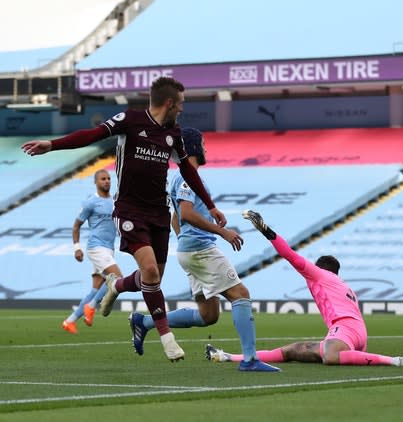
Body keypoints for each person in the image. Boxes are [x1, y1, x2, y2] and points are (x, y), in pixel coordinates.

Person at [21, 76, 226, 362]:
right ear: (169, 103)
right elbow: (91, 135)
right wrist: (52, 145)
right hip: (130, 211)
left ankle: (116, 285)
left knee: (149, 278)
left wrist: (211, 205)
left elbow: (189, 173)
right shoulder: (129, 120)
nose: (181, 109)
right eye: (180, 104)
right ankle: (167, 338)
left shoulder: (174, 134)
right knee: (152, 274)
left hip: (158, 215)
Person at [128, 128, 280, 372]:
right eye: (203, 143)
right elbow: (186, 213)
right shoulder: (187, 177)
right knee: (240, 294)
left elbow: (175, 217)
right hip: (201, 249)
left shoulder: (181, 177)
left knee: (208, 316)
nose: (206, 148)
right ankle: (250, 360)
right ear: (192, 147)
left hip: (188, 251)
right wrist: (222, 232)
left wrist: (185, 240)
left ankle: (144, 322)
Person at [206, 210, 403, 367]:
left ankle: (397, 361)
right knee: (290, 351)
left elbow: (290, 255)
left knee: (331, 356)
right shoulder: (341, 284)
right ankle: (226, 356)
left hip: (345, 329)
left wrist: (266, 230)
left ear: (320, 268)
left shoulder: (319, 274)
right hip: (355, 332)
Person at [62, 169, 123, 334]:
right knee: (117, 278)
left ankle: (70, 321)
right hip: (96, 248)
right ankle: (91, 307)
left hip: (108, 249)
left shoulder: (115, 201)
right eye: (103, 179)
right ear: (95, 182)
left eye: (109, 178)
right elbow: (76, 226)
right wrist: (77, 248)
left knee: (96, 289)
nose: (107, 181)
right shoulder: (90, 202)